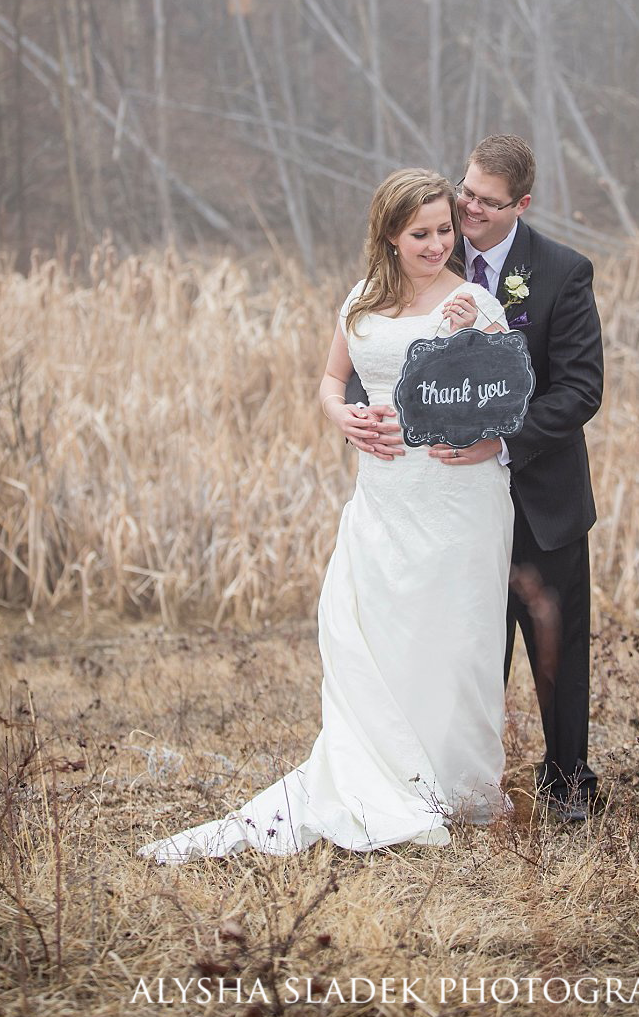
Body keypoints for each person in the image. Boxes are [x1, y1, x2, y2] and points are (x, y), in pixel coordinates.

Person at [139, 169, 514, 862]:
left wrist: (469, 335)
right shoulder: (361, 302)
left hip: (453, 492)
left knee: (452, 635)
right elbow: (330, 379)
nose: (438, 244)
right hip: (382, 490)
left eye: (445, 230)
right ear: (390, 236)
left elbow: (495, 403)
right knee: (369, 621)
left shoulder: (472, 301)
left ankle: (454, 780)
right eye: (421, 233)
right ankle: (381, 769)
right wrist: (341, 415)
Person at [340, 136, 604, 820]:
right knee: (461, 638)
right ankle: (450, 770)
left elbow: (579, 391)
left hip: (537, 489)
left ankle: (567, 782)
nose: (470, 208)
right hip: (441, 494)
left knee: (555, 643)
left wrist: (500, 441)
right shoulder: (431, 252)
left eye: (487, 201)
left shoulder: (562, 271)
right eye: (467, 193)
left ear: (521, 204)